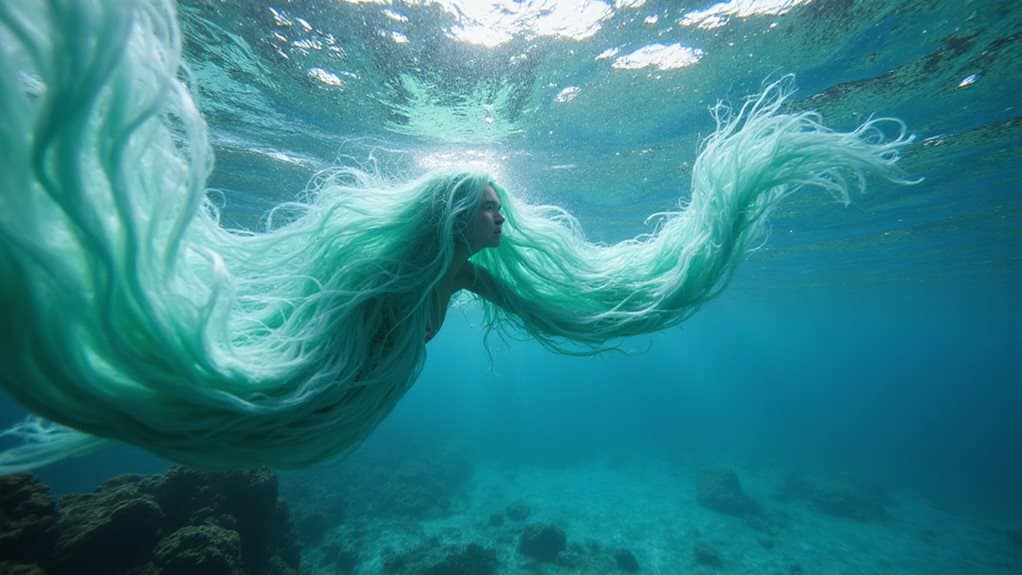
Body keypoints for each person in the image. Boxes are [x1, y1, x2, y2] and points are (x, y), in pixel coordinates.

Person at [0, 0, 915, 473]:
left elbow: (574, 305)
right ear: (450, 215)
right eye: (490, 208)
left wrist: (665, 281)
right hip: (315, 387)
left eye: (500, 207)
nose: (504, 220)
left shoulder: (473, 272)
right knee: (217, 398)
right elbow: (336, 332)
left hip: (336, 398)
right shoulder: (402, 262)